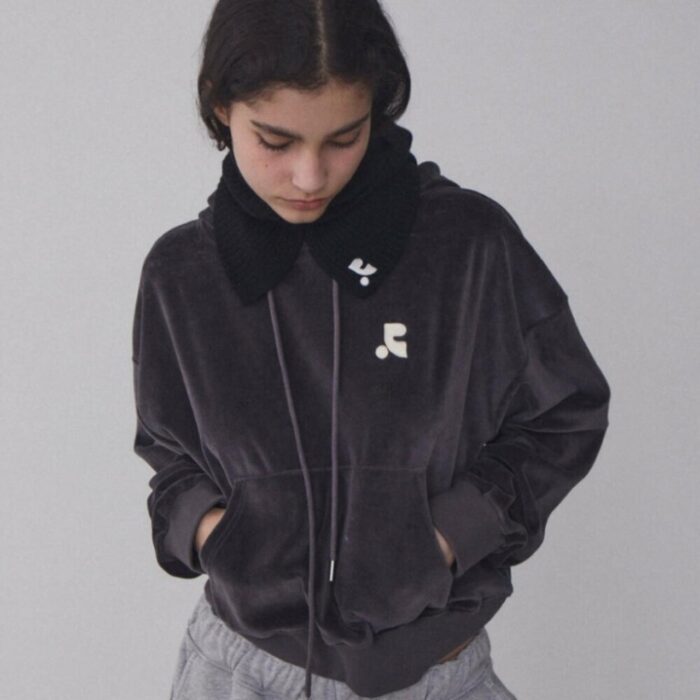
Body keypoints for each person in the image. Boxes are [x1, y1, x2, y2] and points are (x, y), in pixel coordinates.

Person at [130, 1, 611, 698]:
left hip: (434, 673)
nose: (309, 176)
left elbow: (565, 413)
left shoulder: (468, 247)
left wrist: (446, 537)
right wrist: (208, 532)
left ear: (376, 113)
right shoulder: (182, 274)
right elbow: (169, 450)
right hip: (238, 672)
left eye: (343, 138)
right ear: (220, 105)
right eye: (276, 141)